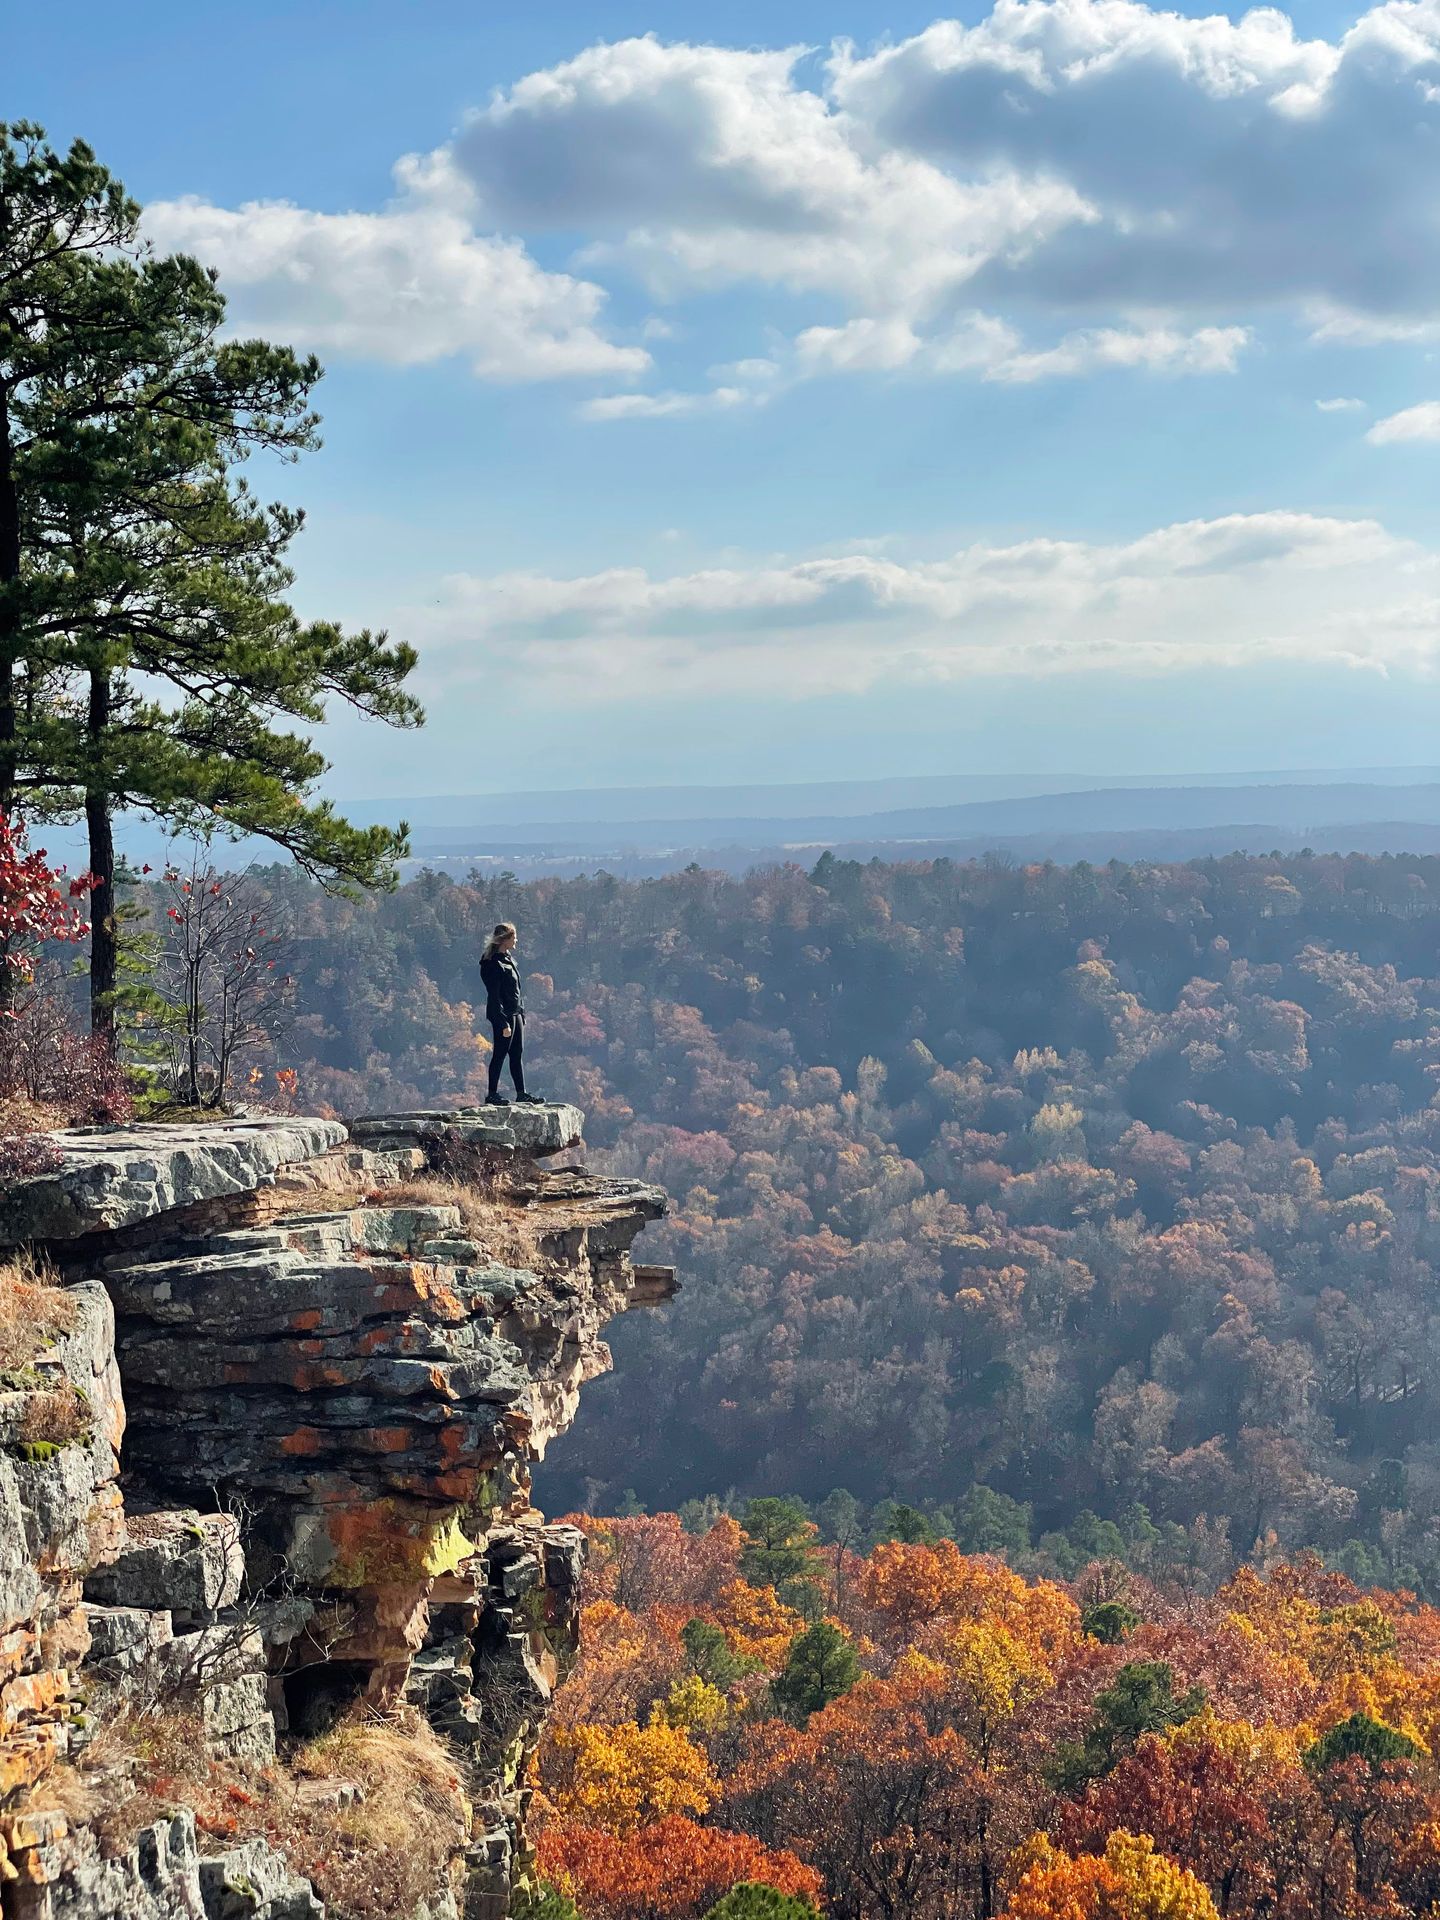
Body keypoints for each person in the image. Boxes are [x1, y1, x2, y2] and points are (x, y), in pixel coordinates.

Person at [480, 921, 541, 1107]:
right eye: (513, 937)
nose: (516, 940)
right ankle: (492, 1094)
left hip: (515, 1014)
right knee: (500, 1053)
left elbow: (515, 990)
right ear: (504, 940)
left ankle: (521, 1093)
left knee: (516, 1054)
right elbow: (494, 996)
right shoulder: (492, 964)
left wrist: (520, 1013)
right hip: (503, 1015)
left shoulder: (509, 959)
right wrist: (502, 1023)